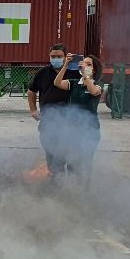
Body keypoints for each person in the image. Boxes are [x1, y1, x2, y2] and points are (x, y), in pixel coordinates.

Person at [28, 43, 76, 177]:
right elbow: (31, 91)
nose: (55, 58)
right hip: (47, 120)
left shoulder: (74, 72)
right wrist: (33, 110)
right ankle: (54, 182)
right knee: (50, 154)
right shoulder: (42, 73)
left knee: (64, 155)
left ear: (66, 57)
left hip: (68, 121)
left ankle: (64, 184)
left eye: (59, 56)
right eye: (53, 56)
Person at [54, 53, 104, 180]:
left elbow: (93, 91)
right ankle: (72, 188)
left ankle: (84, 189)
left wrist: (86, 75)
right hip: (72, 130)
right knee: (71, 161)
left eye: (89, 64)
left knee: (84, 162)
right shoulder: (75, 83)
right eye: (83, 63)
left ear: (94, 69)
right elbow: (57, 83)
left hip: (89, 131)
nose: (85, 66)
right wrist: (66, 64)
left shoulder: (97, 84)